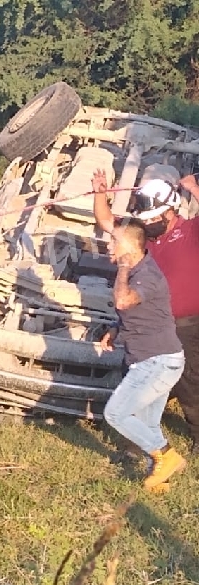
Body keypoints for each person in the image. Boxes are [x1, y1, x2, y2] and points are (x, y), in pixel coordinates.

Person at [93, 169, 199, 450]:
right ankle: (135, 445)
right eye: (145, 219)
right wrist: (100, 193)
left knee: (191, 385)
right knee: (138, 381)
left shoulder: (191, 230)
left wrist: (193, 188)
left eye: (154, 219)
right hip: (148, 326)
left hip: (187, 324)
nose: (149, 223)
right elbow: (106, 221)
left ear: (170, 211)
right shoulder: (142, 236)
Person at [99, 221, 186, 490]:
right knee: (147, 423)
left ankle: (167, 456)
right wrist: (115, 330)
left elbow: (123, 301)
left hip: (158, 362)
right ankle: (160, 478)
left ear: (130, 246)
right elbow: (133, 313)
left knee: (115, 414)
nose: (108, 245)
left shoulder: (146, 275)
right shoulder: (137, 271)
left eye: (114, 241)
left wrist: (123, 266)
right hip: (156, 360)